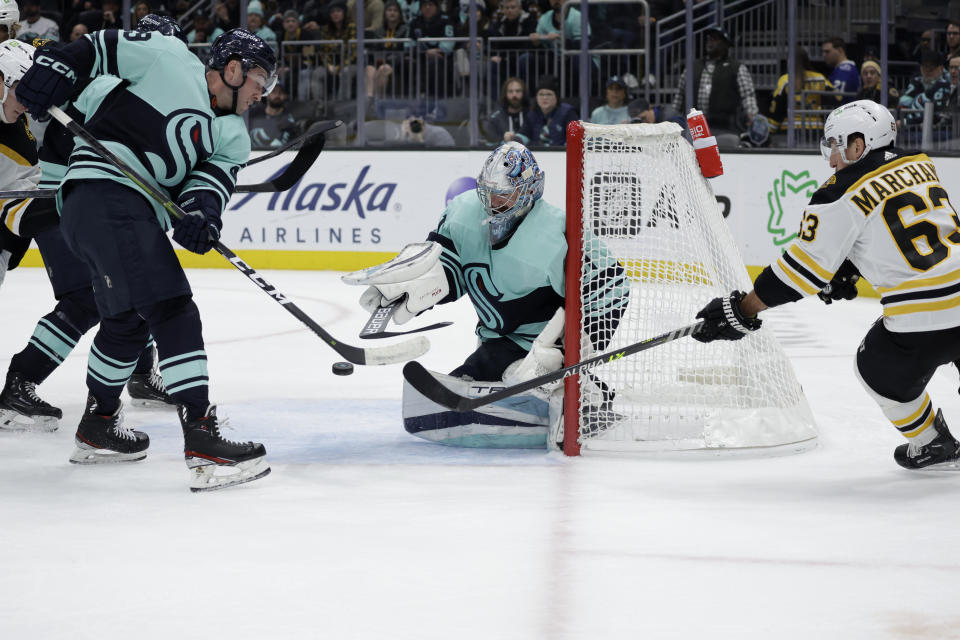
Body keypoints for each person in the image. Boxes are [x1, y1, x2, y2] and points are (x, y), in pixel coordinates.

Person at [13, 27, 276, 490]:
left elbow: (208, 186)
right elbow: (95, 49)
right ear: (233, 69)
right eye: (261, 79)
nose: (263, 92)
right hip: (101, 197)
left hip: (112, 214)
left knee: (126, 322)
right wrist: (56, 67)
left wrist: (202, 217)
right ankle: (201, 438)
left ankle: (99, 426)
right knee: (172, 308)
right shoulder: (169, 59)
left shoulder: (233, 134)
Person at [692, 99, 960, 470]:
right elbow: (904, 238)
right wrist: (851, 267)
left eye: (837, 144)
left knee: (875, 370)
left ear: (859, 144)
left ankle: (932, 441)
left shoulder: (839, 191)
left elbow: (800, 273)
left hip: (919, 319)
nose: (832, 157)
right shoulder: (921, 165)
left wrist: (743, 310)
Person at [346, 141, 627, 447]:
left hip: (546, 345)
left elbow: (611, 285)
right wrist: (412, 288)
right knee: (476, 374)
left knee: (523, 378)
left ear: (531, 190)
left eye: (504, 195)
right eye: (489, 193)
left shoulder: (558, 233)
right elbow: (447, 269)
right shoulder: (462, 214)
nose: (494, 203)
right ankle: (508, 383)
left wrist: (576, 351)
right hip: (497, 340)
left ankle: (590, 394)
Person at [0, 19, 188, 433]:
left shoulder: (132, 83)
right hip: (58, 195)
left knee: (137, 281)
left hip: (75, 195)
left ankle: (140, 373)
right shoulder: (103, 78)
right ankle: (21, 382)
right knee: (85, 298)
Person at [671, 25, 758, 137]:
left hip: (724, 127)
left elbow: (748, 95)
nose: (710, 42)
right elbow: (679, 95)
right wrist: (674, 115)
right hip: (695, 126)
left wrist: (752, 115)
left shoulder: (736, 68)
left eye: (715, 39)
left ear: (725, 44)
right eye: (709, 39)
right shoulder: (693, 67)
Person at [767, 47, 842, 138]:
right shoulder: (820, 78)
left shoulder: (785, 80)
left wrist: (770, 130)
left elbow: (777, 107)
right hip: (815, 129)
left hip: (790, 130)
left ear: (790, 61)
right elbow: (837, 99)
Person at [515, 74, 577, 147]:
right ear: (536, 98)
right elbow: (524, 135)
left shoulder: (568, 113)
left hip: (561, 155)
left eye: (549, 94)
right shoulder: (532, 114)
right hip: (537, 155)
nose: (544, 98)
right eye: (541, 94)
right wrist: (515, 139)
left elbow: (574, 139)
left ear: (556, 97)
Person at [314, 0, 358, 100]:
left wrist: (339, 67)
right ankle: (318, 105)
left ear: (344, 13)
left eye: (338, 11)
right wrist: (328, 65)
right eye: (332, 12)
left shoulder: (352, 27)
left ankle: (341, 106)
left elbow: (353, 52)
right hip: (330, 65)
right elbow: (323, 51)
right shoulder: (326, 30)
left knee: (345, 72)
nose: (335, 14)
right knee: (317, 73)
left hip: (350, 64)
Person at [898, 49, 952, 127]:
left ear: (940, 68)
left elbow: (936, 115)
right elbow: (903, 105)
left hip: (933, 132)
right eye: (924, 66)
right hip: (909, 130)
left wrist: (908, 122)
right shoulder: (916, 82)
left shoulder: (944, 86)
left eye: (931, 68)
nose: (927, 70)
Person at [248, 81, 301, 148]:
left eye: (280, 93)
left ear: (285, 96)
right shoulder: (254, 114)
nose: (277, 95)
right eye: (273, 92)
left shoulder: (290, 120)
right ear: (267, 95)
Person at [484, 76, 529, 144]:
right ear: (505, 94)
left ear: (524, 93)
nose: (514, 95)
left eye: (518, 91)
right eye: (510, 91)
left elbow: (538, 141)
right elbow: (489, 144)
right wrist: (504, 141)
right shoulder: (495, 118)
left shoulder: (532, 115)